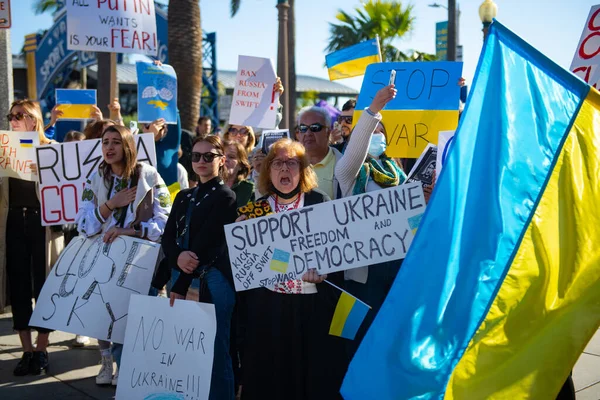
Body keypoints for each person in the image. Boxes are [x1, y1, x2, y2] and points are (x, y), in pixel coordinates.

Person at [239, 139, 348, 400]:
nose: (284, 169)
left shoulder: (319, 201)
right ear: (268, 171)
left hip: (310, 308)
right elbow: (245, 265)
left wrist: (324, 271)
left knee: (310, 378)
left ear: (302, 170)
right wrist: (239, 237)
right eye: (277, 163)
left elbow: (335, 252)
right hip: (269, 309)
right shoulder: (255, 209)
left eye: (291, 163)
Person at [76, 124, 171, 386]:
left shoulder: (149, 176)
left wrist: (129, 231)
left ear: (128, 146)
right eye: (105, 142)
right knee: (102, 313)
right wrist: (111, 204)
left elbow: (164, 222)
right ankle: (107, 361)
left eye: (116, 142)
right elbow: (83, 225)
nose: (109, 147)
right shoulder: (95, 178)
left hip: (139, 260)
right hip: (102, 258)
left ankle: (129, 366)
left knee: (130, 316)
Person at [154, 135, 238, 400]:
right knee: (184, 347)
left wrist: (179, 283)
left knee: (215, 348)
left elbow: (208, 244)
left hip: (212, 280)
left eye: (209, 156)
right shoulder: (184, 195)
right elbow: (168, 237)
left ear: (222, 160)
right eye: (196, 156)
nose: (201, 161)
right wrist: (176, 259)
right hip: (181, 274)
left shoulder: (226, 196)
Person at [334, 84, 407, 355]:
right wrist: (374, 110)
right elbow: (356, 151)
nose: (376, 134)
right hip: (361, 273)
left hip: (396, 268)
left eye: (380, 131)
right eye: (371, 131)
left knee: (388, 342)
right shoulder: (349, 172)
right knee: (353, 342)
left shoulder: (398, 173)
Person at [2, 100, 64, 376]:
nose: (13, 120)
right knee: (18, 286)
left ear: (33, 120)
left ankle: (41, 348)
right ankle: (26, 350)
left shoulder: (50, 150)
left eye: (19, 115)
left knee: (44, 284)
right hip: (14, 221)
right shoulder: (4, 149)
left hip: (44, 224)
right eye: (11, 116)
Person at [296, 106, 343, 200]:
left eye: (315, 127)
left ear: (328, 132)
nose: (308, 133)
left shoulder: (343, 164)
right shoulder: (288, 164)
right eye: (303, 128)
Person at [224, 140, 254, 207]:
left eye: (231, 157)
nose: (225, 159)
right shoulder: (207, 188)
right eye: (221, 156)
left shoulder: (249, 189)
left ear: (241, 165)